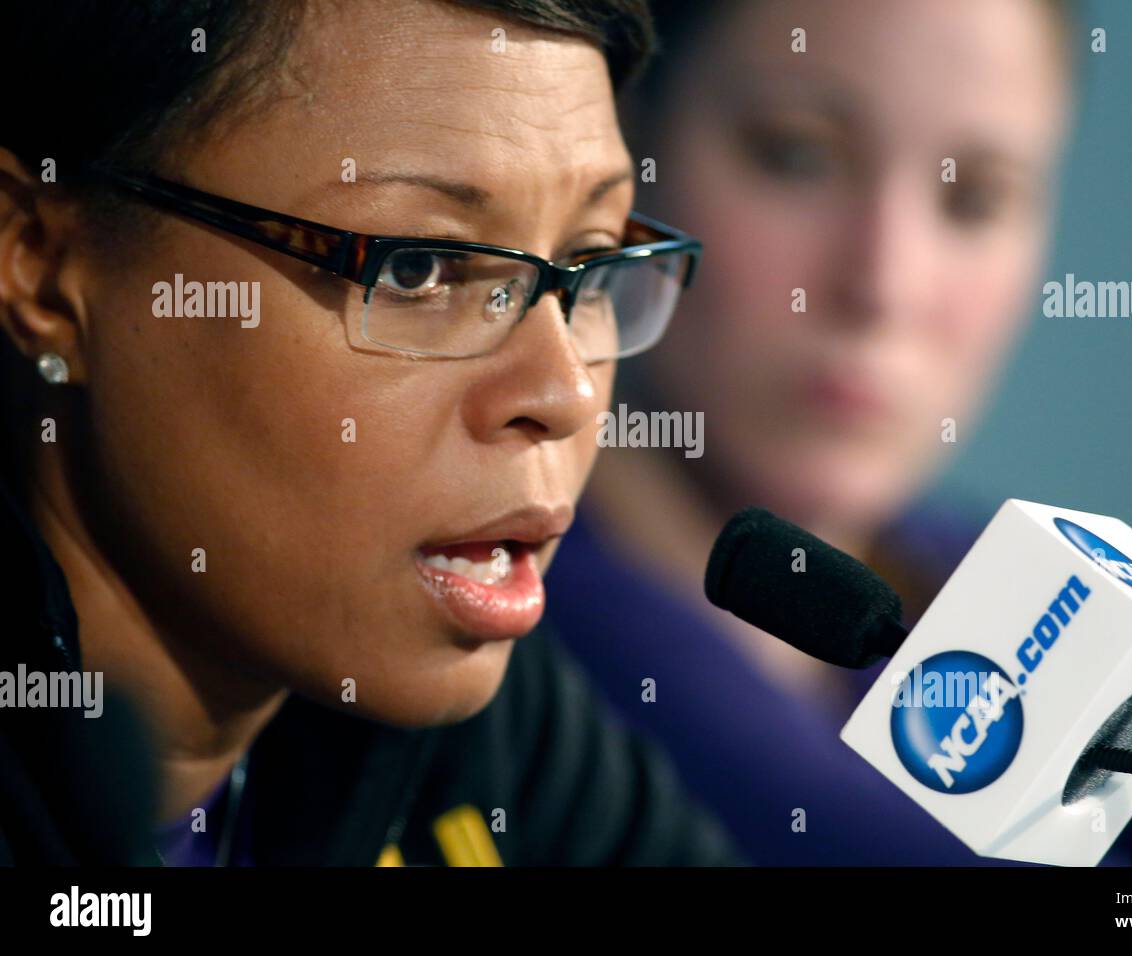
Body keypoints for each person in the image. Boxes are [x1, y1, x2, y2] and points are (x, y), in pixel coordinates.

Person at [545, 0, 1132, 865]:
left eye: (974, 198)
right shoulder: (520, 631)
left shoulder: (965, 560)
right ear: (626, 151)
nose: (886, 282)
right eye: (796, 155)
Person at [0, 0, 742, 866]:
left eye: (592, 256)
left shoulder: (481, 735)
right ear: (43, 266)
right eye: (418, 267)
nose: (567, 392)